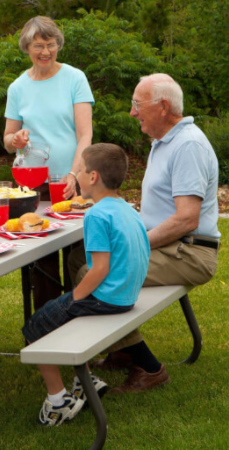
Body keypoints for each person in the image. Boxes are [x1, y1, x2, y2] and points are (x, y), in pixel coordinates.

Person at [70, 74, 221, 393]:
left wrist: (131, 243)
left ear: (163, 107)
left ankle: (148, 367)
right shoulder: (166, 142)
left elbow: (186, 219)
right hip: (174, 245)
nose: (132, 112)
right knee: (78, 257)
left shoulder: (187, 145)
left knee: (92, 271)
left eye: (137, 104)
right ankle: (123, 348)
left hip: (190, 252)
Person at [22, 143, 150, 426]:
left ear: (92, 177)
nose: (75, 175)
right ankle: (85, 380)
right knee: (60, 315)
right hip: (126, 295)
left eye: (78, 169)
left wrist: (74, 298)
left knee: (36, 327)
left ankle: (58, 403)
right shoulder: (127, 208)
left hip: (107, 299)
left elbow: (100, 268)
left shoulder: (96, 214)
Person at [3, 16, 94, 310]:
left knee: (78, 254)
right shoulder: (17, 87)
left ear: (58, 45)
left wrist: (73, 174)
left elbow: (85, 135)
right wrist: (15, 139)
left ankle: (82, 312)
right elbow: (7, 138)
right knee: (41, 257)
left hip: (73, 181)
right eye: (38, 45)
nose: (45, 51)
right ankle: (48, 319)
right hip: (34, 184)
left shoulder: (74, 78)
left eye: (50, 44)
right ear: (26, 47)